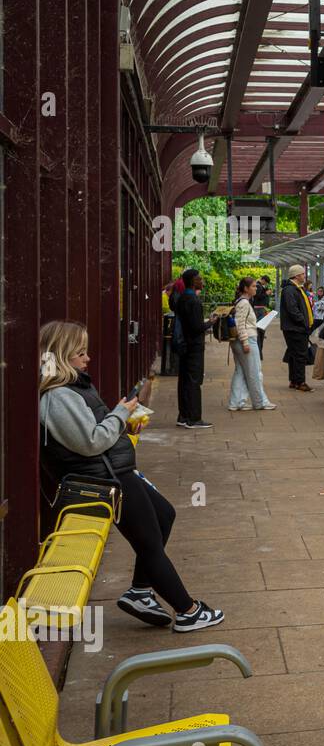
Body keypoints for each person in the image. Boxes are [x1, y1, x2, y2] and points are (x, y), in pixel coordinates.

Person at [38, 321, 224, 632]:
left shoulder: (73, 388)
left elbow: (92, 432)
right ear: (60, 355)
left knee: (164, 515)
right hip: (105, 480)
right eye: (79, 352)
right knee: (149, 543)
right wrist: (121, 414)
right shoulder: (58, 397)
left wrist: (122, 420)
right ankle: (188, 611)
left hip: (113, 471)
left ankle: (140, 591)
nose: (87, 358)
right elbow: (92, 442)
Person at [227, 277, 276, 412]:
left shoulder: (242, 301)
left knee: (241, 372)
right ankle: (260, 402)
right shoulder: (244, 303)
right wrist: (245, 342)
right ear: (246, 289)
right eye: (253, 286)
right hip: (247, 339)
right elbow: (240, 323)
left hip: (242, 339)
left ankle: (236, 402)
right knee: (255, 372)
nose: (256, 288)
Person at [171, 268, 212, 429]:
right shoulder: (193, 300)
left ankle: (183, 415)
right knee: (194, 381)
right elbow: (196, 327)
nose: (202, 281)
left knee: (184, 381)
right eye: (199, 278)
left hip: (184, 346)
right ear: (193, 281)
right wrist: (211, 322)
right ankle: (194, 418)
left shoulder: (182, 298)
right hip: (194, 346)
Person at [280, 263, 315, 392]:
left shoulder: (295, 289)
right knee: (300, 355)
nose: (304, 276)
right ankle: (300, 382)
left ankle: (294, 381)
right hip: (296, 328)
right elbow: (293, 309)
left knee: (294, 354)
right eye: (302, 274)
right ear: (296, 275)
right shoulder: (290, 290)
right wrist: (304, 322)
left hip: (294, 327)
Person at [252, 275, 271, 353]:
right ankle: (259, 349)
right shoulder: (258, 286)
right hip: (259, 309)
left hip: (260, 308)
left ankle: (259, 348)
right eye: (265, 282)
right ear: (262, 280)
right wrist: (266, 293)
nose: (265, 284)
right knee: (260, 327)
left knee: (260, 327)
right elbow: (258, 296)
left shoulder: (259, 285)